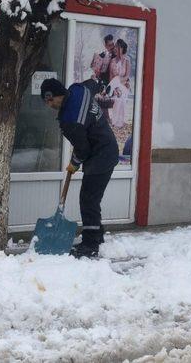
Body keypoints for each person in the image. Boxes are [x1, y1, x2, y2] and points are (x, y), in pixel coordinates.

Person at [41, 78, 119, 258]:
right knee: (91, 198)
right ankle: (96, 236)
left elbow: (83, 149)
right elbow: (93, 84)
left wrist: (74, 163)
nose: (49, 105)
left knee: (88, 200)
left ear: (55, 96)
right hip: (107, 148)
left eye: (49, 101)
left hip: (101, 156)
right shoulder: (78, 90)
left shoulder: (70, 120)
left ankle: (91, 244)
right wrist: (101, 83)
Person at [107, 39, 131, 128]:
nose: (115, 48)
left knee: (121, 97)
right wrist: (116, 87)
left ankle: (120, 122)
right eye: (115, 47)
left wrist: (118, 82)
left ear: (122, 48)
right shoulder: (112, 61)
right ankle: (115, 122)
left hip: (124, 85)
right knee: (118, 98)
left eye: (118, 47)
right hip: (115, 86)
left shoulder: (127, 60)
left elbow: (127, 76)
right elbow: (110, 77)